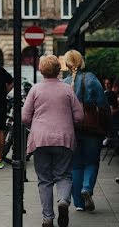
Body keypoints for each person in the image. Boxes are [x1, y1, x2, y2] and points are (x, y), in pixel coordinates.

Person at [22, 54, 84, 227]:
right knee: (64, 175)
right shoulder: (67, 90)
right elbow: (79, 116)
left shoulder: (35, 90)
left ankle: (48, 218)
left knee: (44, 180)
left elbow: (25, 117)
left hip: (41, 139)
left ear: (41, 70)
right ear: (58, 70)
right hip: (64, 138)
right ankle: (63, 201)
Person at [63, 50, 109, 213]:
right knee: (91, 161)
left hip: (72, 129)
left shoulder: (65, 83)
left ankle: (79, 204)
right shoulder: (92, 79)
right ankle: (87, 189)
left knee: (75, 165)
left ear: (67, 64)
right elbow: (103, 105)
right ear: (82, 63)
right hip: (92, 129)